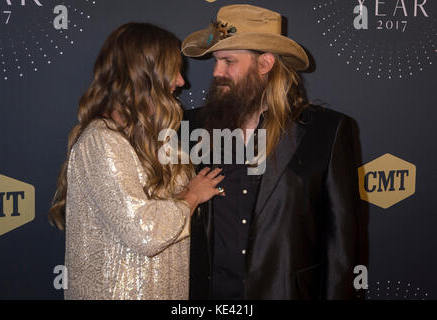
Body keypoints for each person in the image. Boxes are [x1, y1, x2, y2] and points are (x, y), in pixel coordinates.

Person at [182, 4, 363, 299]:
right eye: (216, 61)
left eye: (228, 61)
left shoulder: (326, 131)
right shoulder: (189, 127)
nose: (216, 72)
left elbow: (341, 246)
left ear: (265, 64)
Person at [48, 22, 225, 300]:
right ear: (143, 75)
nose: (181, 81)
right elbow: (144, 231)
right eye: (173, 71)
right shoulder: (101, 141)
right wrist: (191, 196)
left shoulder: (157, 139)